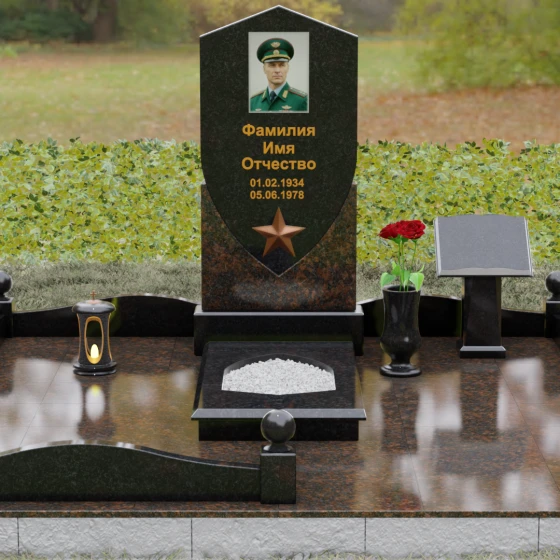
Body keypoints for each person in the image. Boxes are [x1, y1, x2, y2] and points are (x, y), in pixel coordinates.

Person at [250, 38, 308, 112]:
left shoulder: (301, 100)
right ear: (264, 69)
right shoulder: (253, 101)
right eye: (272, 65)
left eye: (282, 65)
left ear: (288, 68)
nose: (277, 70)